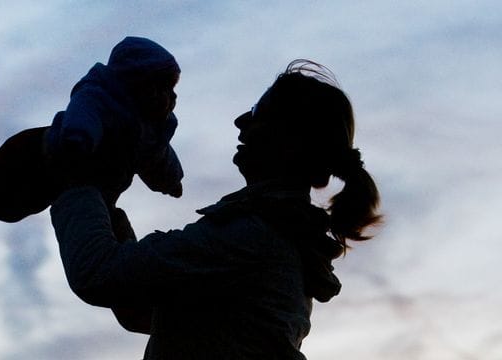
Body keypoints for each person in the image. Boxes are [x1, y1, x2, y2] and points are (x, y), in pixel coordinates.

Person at [49, 60, 382, 359]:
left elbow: (99, 275)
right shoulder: (279, 237)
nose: (241, 121)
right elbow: (142, 308)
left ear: (289, 142)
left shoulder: (251, 234)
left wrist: (77, 181)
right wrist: (106, 203)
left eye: (257, 112)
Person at [0, 36, 183, 222]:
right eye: (161, 88)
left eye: (172, 89)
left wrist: (170, 180)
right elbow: (85, 111)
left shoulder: (152, 133)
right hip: (35, 156)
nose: (170, 97)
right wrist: (79, 137)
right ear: (134, 84)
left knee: (16, 208)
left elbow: (158, 159)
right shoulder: (103, 98)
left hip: (70, 188)